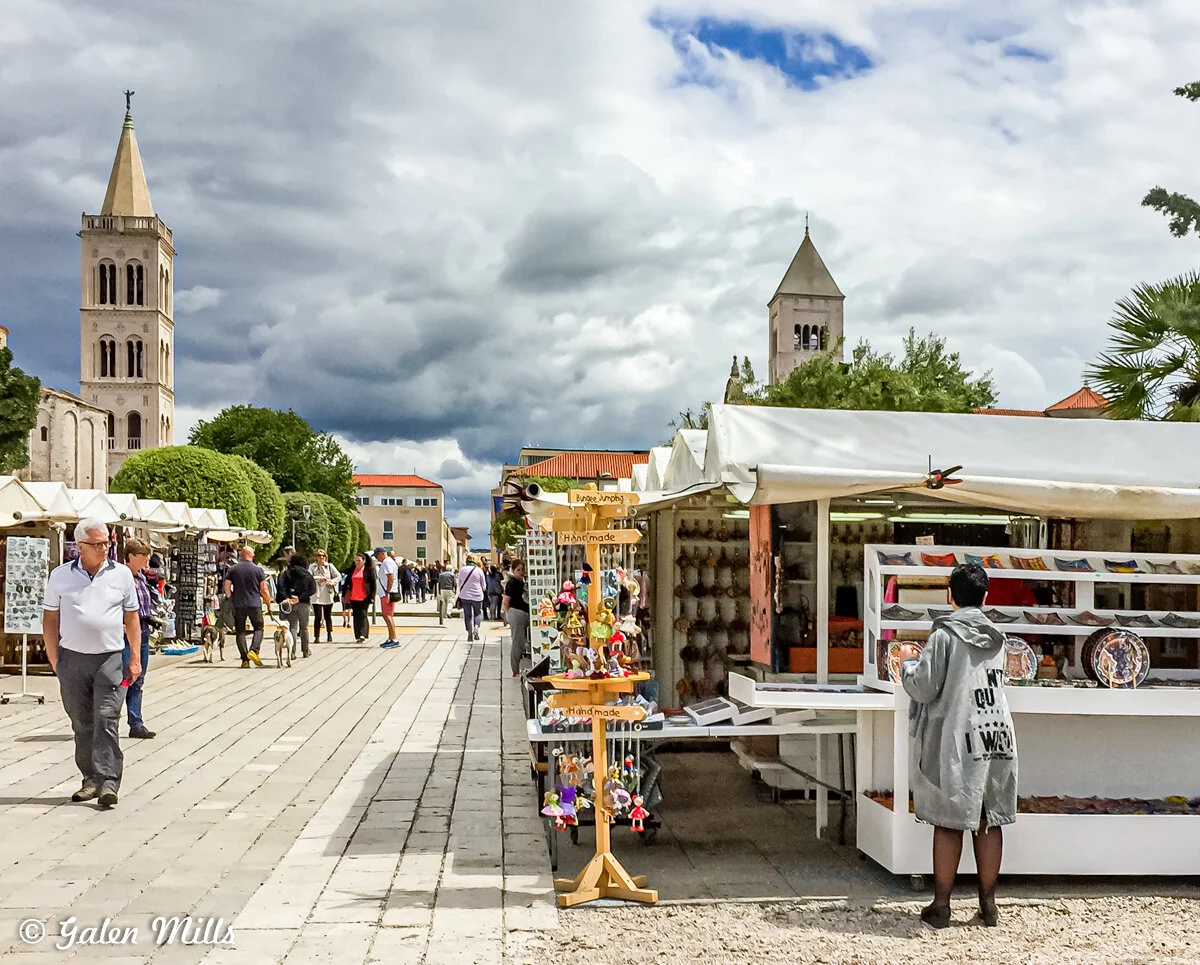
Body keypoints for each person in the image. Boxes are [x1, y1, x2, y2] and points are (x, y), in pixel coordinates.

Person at [901, 562, 1017, 930]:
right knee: (988, 817)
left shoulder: (944, 637)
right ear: (987, 596)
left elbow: (924, 686)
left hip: (956, 734)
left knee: (950, 820)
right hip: (995, 731)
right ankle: (988, 904)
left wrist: (907, 667)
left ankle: (941, 906)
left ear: (950, 596)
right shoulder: (998, 638)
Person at [42, 518, 141, 808]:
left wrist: (134, 658)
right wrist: (54, 659)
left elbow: (132, 618)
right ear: (81, 546)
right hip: (72, 659)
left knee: (107, 717)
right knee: (82, 722)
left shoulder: (121, 574)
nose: (105, 548)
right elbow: (50, 619)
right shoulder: (60, 576)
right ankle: (91, 779)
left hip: (110, 659)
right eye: (98, 544)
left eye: (107, 543)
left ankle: (109, 782)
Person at [122, 538, 156, 738]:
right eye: (144, 555)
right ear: (132, 556)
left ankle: (136, 723)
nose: (147, 559)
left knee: (138, 677)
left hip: (143, 632)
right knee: (125, 677)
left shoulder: (141, 578)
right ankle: (108, 718)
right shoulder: (120, 577)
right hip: (125, 634)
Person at [223, 545, 272, 668]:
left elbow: (227, 586)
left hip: (238, 604)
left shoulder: (233, 569)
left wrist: (230, 597)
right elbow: (264, 589)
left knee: (240, 631)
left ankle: (245, 660)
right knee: (258, 628)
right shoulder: (258, 570)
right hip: (255, 603)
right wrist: (268, 604)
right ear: (251, 555)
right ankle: (254, 650)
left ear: (241, 555)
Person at [278, 553, 317, 658]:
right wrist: (300, 598)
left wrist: (287, 597)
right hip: (304, 603)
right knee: (304, 628)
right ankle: (305, 650)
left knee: (293, 627)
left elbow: (280, 587)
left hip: (290, 602)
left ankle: (292, 651)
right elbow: (313, 589)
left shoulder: (286, 573)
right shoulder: (307, 574)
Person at [502, 560, 530, 678]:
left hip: (522, 613)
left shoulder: (521, 582)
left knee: (521, 641)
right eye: (518, 570)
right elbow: (506, 601)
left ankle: (517, 668)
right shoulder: (512, 583)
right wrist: (509, 614)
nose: (521, 572)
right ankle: (515, 670)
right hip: (517, 613)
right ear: (513, 571)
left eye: (522, 569)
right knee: (517, 642)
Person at [344, 553, 376, 643]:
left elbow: (373, 584)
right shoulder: (352, 570)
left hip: (365, 597)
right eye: (356, 560)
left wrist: (372, 596)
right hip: (354, 596)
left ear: (364, 561)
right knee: (356, 616)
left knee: (363, 614)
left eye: (359, 560)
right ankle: (357, 635)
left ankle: (363, 634)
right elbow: (347, 583)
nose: (357, 562)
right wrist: (344, 594)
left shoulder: (369, 570)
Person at [309, 549, 339, 643]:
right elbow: (308, 577)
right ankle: (316, 636)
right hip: (316, 594)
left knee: (328, 615)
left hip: (327, 593)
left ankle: (329, 634)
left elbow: (338, 576)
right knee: (317, 616)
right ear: (316, 557)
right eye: (319, 555)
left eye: (323, 555)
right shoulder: (312, 567)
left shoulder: (329, 566)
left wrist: (332, 582)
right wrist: (318, 578)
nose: (321, 557)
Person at [374, 548, 400, 648]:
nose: (376, 558)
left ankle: (394, 638)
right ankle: (391, 637)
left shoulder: (386, 562)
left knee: (387, 616)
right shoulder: (390, 562)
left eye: (377, 556)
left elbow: (391, 577)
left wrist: (387, 591)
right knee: (387, 615)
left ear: (381, 554)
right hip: (388, 592)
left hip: (387, 593)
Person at [456, 556, 487, 641]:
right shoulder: (479, 570)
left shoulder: (462, 570)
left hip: (465, 595)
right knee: (478, 613)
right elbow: (484, 586)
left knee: (468, 615)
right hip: (477, 595)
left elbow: (459, 583)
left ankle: (469, 634)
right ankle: (476, 628)